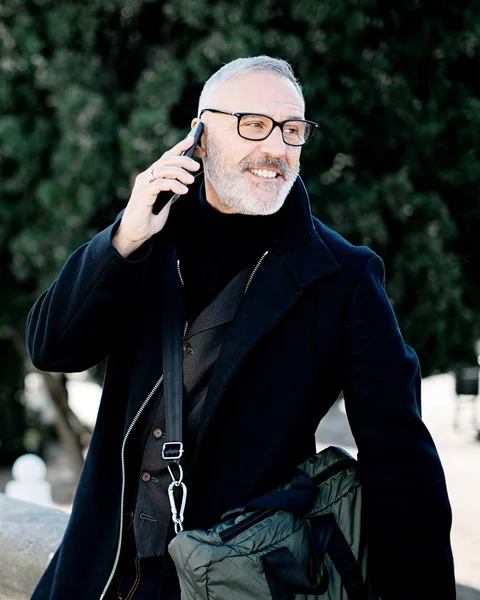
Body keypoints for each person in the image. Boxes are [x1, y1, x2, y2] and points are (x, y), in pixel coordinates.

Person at [26, 55, 456, 600]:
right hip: (103, 571)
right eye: (253, 124)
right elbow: (52, 347)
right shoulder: (145, 236)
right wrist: (123, 239)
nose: (275, 148)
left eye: (292, 130)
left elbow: (400, 457)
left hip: (235, 576)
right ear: (200, 137)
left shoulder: (341, 275)